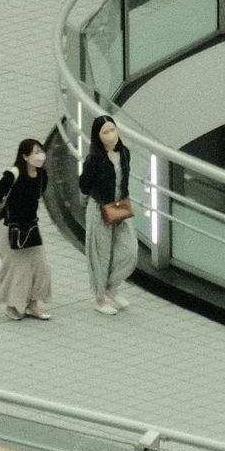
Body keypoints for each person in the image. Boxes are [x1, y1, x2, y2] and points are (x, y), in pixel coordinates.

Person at [0, 137, 53, 320]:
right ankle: (13, 305)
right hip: (10, 226)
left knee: (41, 265)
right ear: (25, 156)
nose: (40, 156)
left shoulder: (42, 175)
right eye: (36, 152)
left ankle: (33, 303)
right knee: (19, 267)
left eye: (41, 151)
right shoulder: (13, 174)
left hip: (30, 225)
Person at [80, 114, 137, 314]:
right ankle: (100, 297)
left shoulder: (124, 153)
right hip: (99, 208)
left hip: (119, 206)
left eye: (113, 130)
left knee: (129, 250)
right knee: (100, 254)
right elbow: (84, 185)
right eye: (105, 132)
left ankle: (111, 286)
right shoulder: (94, 159)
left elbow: (125, 180)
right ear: (98, 136)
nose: (111, 135)